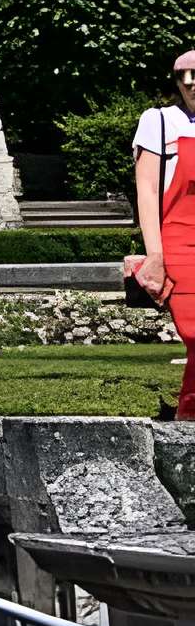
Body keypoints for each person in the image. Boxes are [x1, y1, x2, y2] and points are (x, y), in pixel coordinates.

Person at [135, 52, 195, 419]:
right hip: (181, 242)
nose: (190, 82)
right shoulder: (158, 121)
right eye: (183, 76)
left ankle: (188, 413)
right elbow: (146, 190)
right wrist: (154, 255)